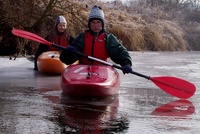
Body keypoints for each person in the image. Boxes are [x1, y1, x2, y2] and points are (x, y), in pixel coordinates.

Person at [59, 5, 132, 74]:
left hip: (102, 70)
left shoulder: (108, 38)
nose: (96, 25)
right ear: (89, 24)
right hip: (83, 69)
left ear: (102, 24)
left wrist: (126, 63)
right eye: (93, 22)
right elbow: (65, 60)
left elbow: (120, 52)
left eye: (98, 22)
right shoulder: (82, 37)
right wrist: (68, 52)